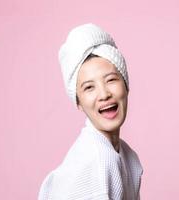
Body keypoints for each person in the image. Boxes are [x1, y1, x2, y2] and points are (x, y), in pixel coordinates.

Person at [38, 23, 143, 200]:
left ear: (126, 84)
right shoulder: (98, 162)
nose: (104, 94)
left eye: (110, 80)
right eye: (89, 87)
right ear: (78, 102)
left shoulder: (127, 155)